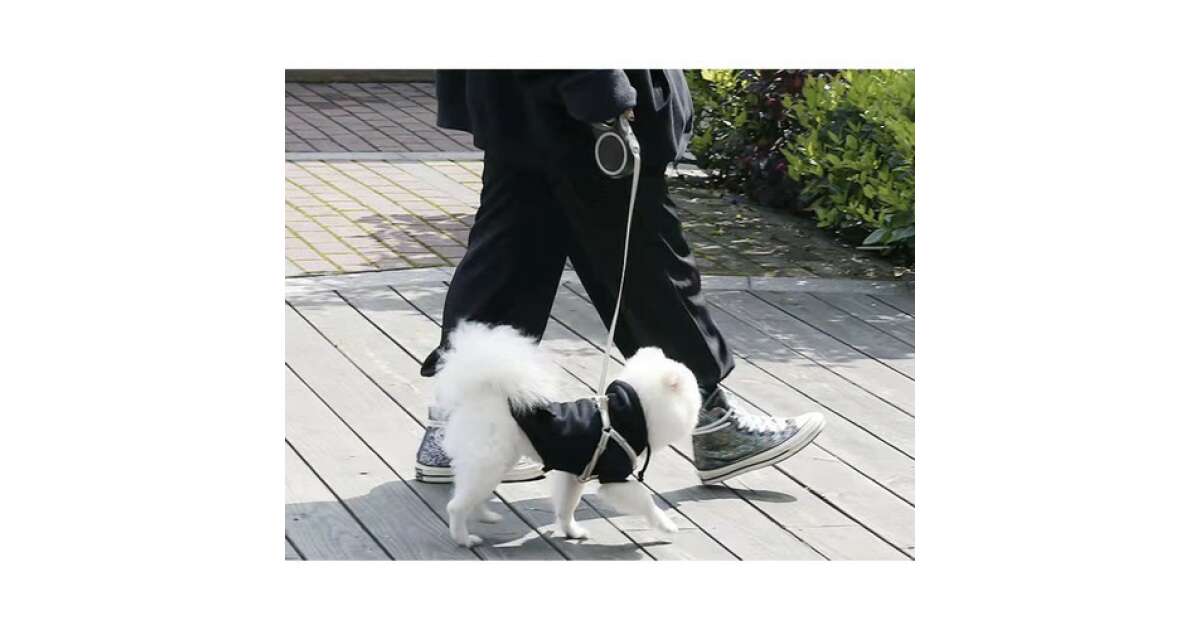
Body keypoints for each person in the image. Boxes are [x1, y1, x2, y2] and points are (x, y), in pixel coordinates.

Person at [414, 70, 825, 485]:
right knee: (646, 262)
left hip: (526, 95)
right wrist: (601, 92)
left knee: (510, 255)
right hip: (575, 106)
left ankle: (457, 430)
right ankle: (713, 423)